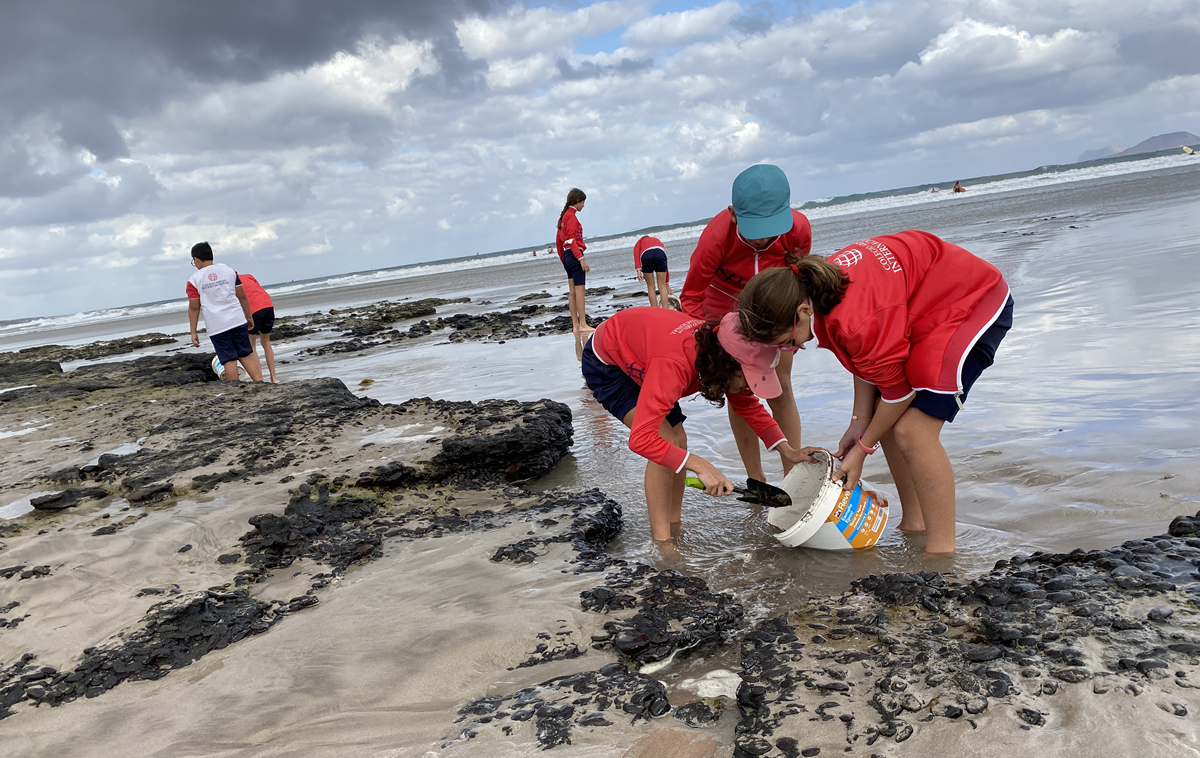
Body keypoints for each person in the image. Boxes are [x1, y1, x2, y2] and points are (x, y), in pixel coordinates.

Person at [737, 231, 1014, 555]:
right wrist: (861, 421)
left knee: (913, 432)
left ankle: (941, 554)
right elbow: (867, 362)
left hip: (974, 305)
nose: (790, 348)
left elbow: (897, 393)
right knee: (884, 422)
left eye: (785, 340)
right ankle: (914, 522)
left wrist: (862, 450)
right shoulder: (821, 288)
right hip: (926, 306)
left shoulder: (854, 317)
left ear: (801, 313)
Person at [582, 307, 819, 541]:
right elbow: (641, 440)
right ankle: (662, 542)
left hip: (648, 357)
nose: (751, 386)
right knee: (665, 440)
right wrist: (702, 466)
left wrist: (787, 450)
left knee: (679, 441)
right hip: (609, 362)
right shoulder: (675, 366)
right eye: (751, 378)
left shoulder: (723, 357)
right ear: (729, 365)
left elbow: (749, 407)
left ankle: (674, 524)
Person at [680, 163, 812, 483]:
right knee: (740, 390)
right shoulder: (716, 237)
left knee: (779, 389)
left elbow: (799, 282)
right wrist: (703, 344)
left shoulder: (798, 229)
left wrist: (797, 327)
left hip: (773, 307)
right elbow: (691, 297)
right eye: (756, 229)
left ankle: (792, 474)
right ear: (733, 213)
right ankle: (757, 477)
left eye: (772, 227)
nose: (764, 238)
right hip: (723, 306)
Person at [186, 242, 264, 382]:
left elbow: (194, 307)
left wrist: (193, 331)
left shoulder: (194, 280)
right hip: (237, 319)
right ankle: (260, 382)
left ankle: (235, 388)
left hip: (217, 325)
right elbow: (241, 296)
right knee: (245, 354)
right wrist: (249, 316)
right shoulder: (229, 271)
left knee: (228, 358)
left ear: (196, 259)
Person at [555, 188, 592, 334]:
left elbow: (559, 242)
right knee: (580, 291)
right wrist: (581, 258)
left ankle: (575, 326)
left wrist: (563, 260)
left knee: (572, 292)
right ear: (577, 201)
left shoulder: (563, 217)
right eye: (583, 202)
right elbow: (571, 239)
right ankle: (582, 324)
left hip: (567, 256)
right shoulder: (571, 216)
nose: (583, 205)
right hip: (575, 254)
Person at [238, 272, 278, 383]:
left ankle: (260, 379)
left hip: (253, 310)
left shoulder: (231, 283)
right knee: (266, 342)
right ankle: (274, 377)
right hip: (267, 305)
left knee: (252, 346)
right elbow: (257, 289)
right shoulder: (248, 275)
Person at [634, 235, 673, 308]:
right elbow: (665, 265)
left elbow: (636, 254)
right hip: (660, 253)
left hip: (646, 255)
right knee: (662, 286)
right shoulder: (657, 240)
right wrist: (667, 283)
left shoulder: (639, 242)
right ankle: (666, 310)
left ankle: (655, 310)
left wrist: (638, 269)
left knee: (651, 287)